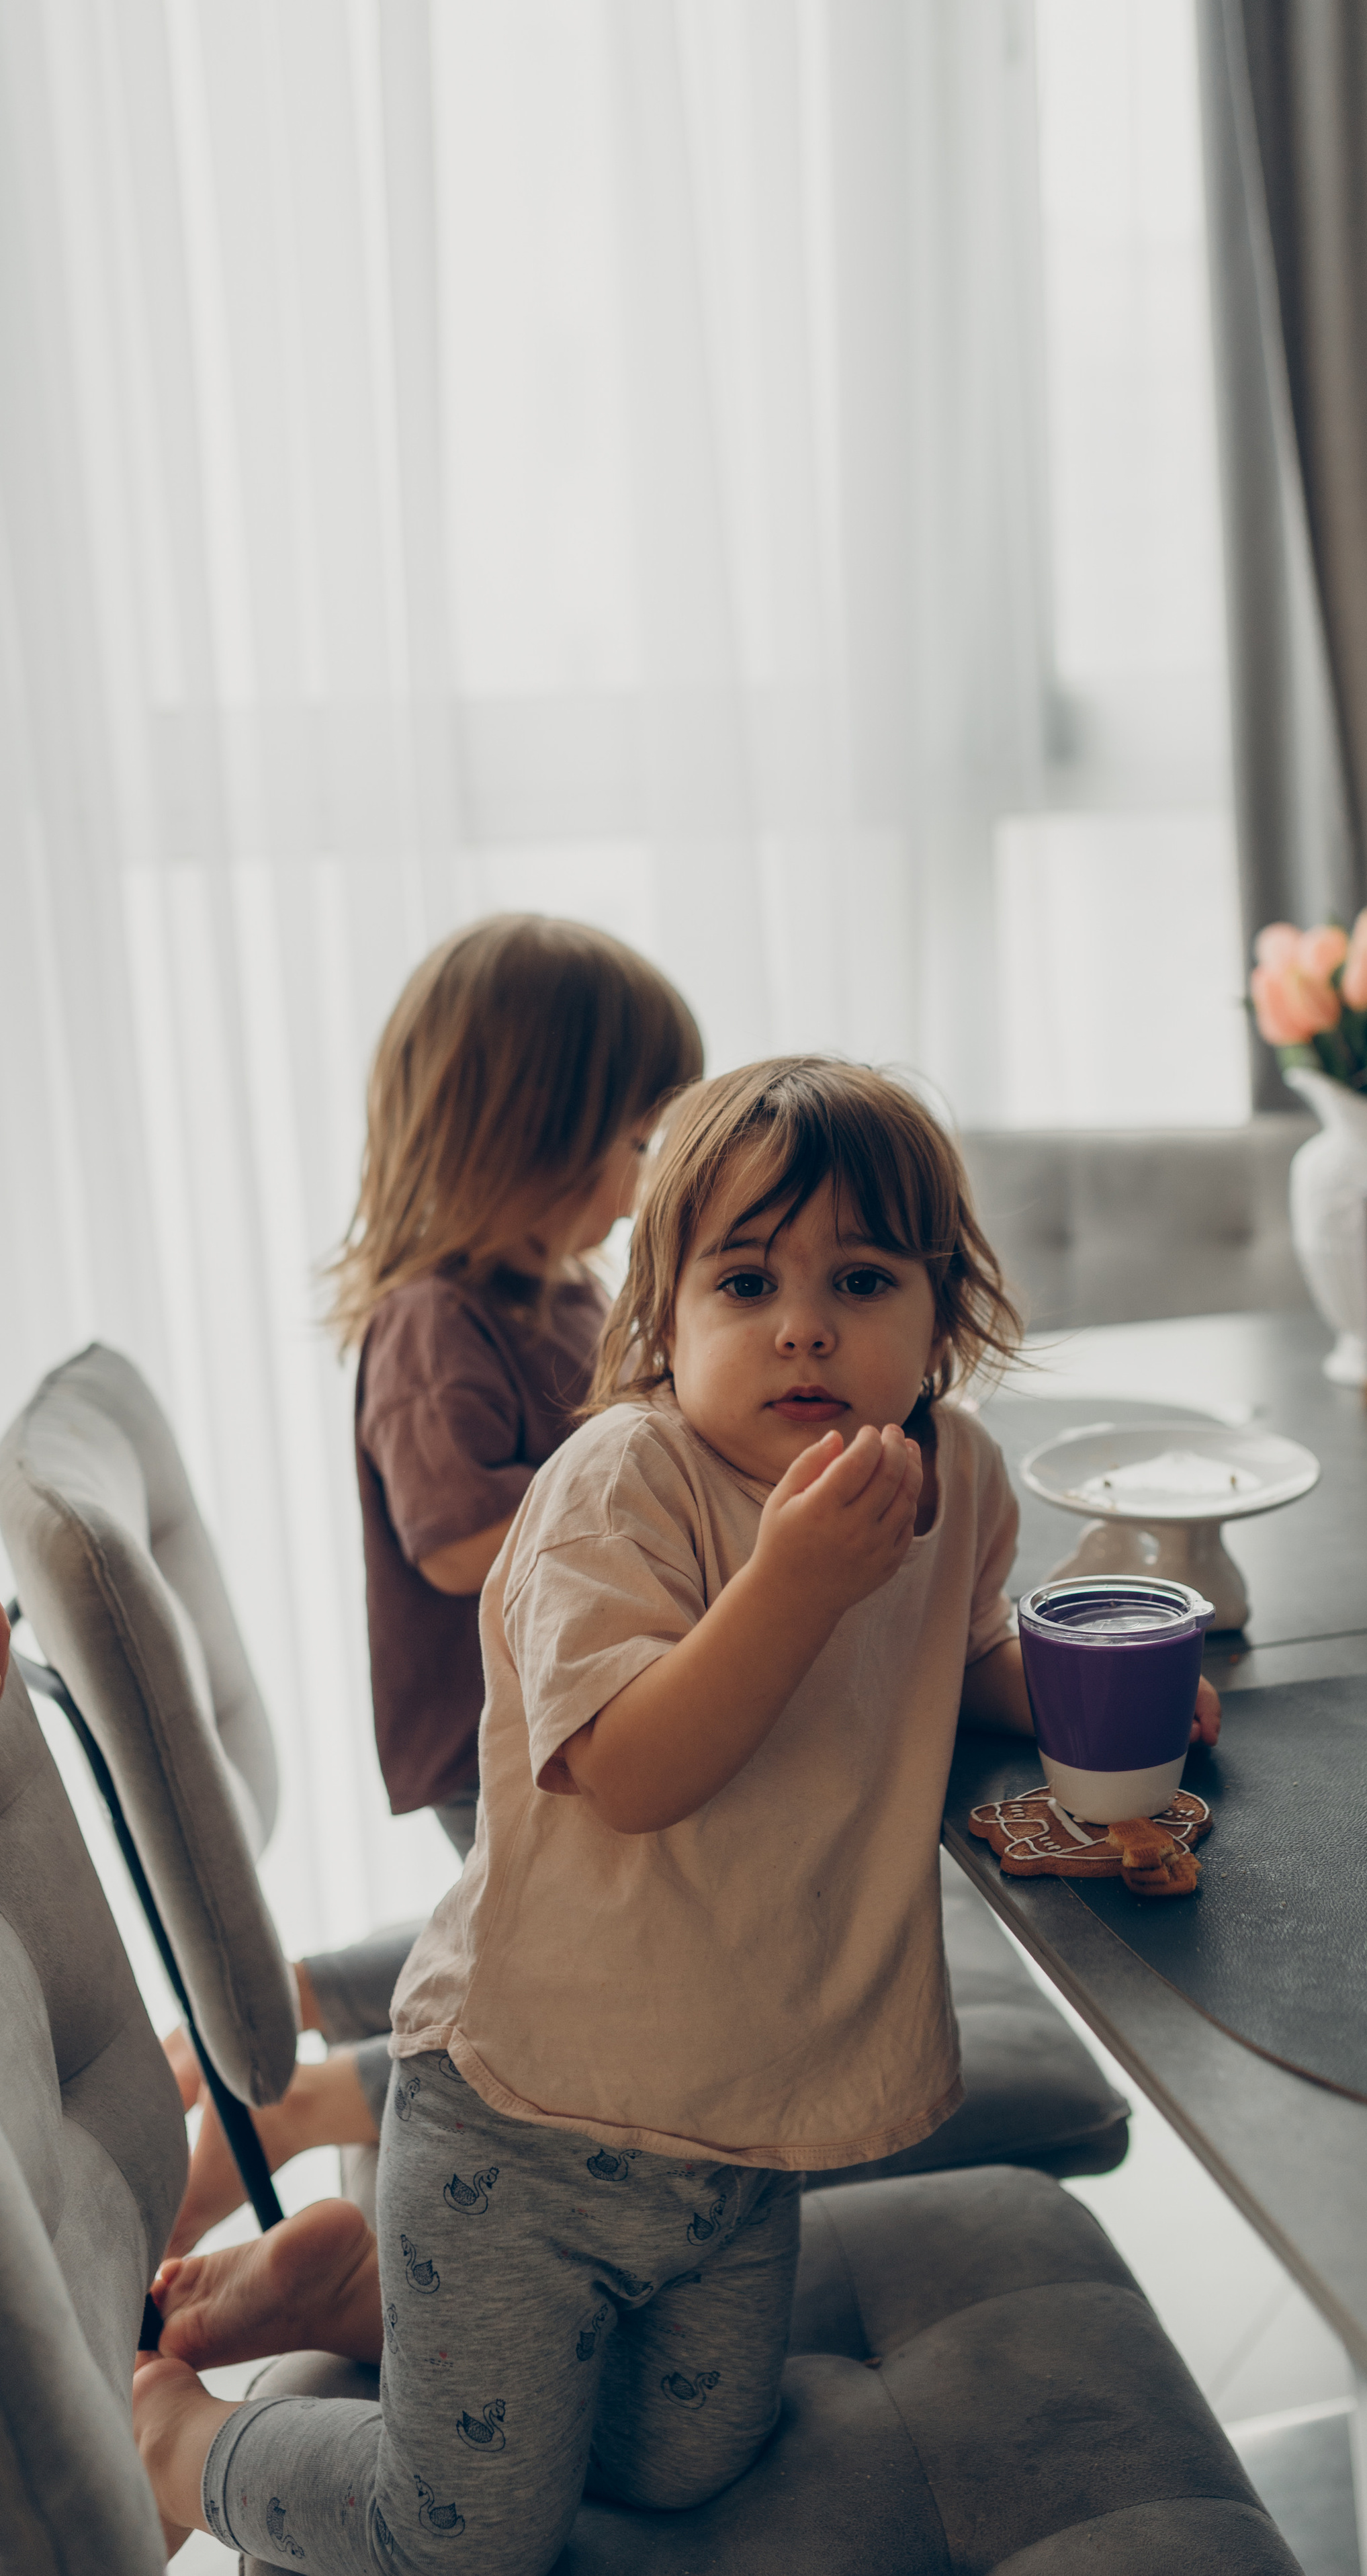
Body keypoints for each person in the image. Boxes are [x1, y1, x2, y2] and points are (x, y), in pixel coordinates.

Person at [135, 1056, 1221, 2569]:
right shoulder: (622, 1485)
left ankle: (359, 2291)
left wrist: (1077, 1685)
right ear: (660, 1321)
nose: (803, 1323)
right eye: (743, 1280)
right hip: (525, 2122)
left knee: (681, 2464)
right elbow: (633, 1766)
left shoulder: (947, 1476)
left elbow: (947, 1652)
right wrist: (787, 1584)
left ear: (944, 1312)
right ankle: (185, 2440)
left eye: (859, 1277)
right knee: (461, 2533)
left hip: (739, 2135)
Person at [162, 915, 703, 2256]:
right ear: (527, 1134)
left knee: (520, 1937)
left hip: (570, 1710)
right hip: (510, 1735)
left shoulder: (561, 1294)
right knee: (565, 1986)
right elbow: (457, 1536)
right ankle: (312, 2106)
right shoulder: (432, 1322)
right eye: (639, 1143)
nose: (648, 1184)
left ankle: (292, 2000)